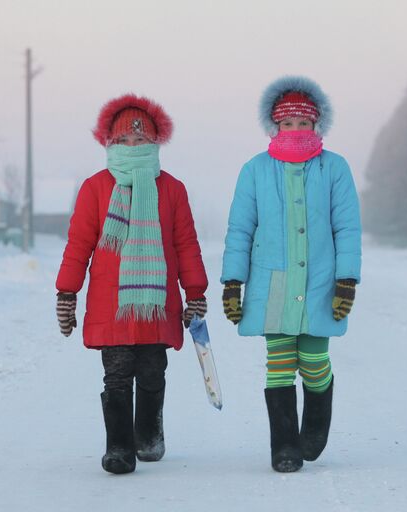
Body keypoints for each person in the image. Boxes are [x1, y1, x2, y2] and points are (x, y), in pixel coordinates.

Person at [55, 94, 208, 474]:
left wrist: (196, 293)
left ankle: (149, 435)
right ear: (109, 143)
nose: (132, 146)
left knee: (153, 371)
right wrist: (66, 293)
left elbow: (186, 244)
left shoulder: (172, 189)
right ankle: (119, 448)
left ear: (155, 143)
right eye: (123, 140)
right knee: (118, 373)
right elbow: (79, 245)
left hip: (157, 300)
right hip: (111, 302)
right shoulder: (96, 188)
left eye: (140, 141)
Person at [221, 76, 362, 472]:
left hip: (321, 282)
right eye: (287, 123)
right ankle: (284, 446)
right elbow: (240, 229)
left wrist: (346, 278)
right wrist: (233, 281)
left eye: (303, 122)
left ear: (316, 125)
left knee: (314, 361)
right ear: (274, 126)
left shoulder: (334, 167)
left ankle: (314, 426)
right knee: (280, 362)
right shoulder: (255, 170)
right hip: (274, 282)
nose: (296, 130)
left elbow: (347, 227)